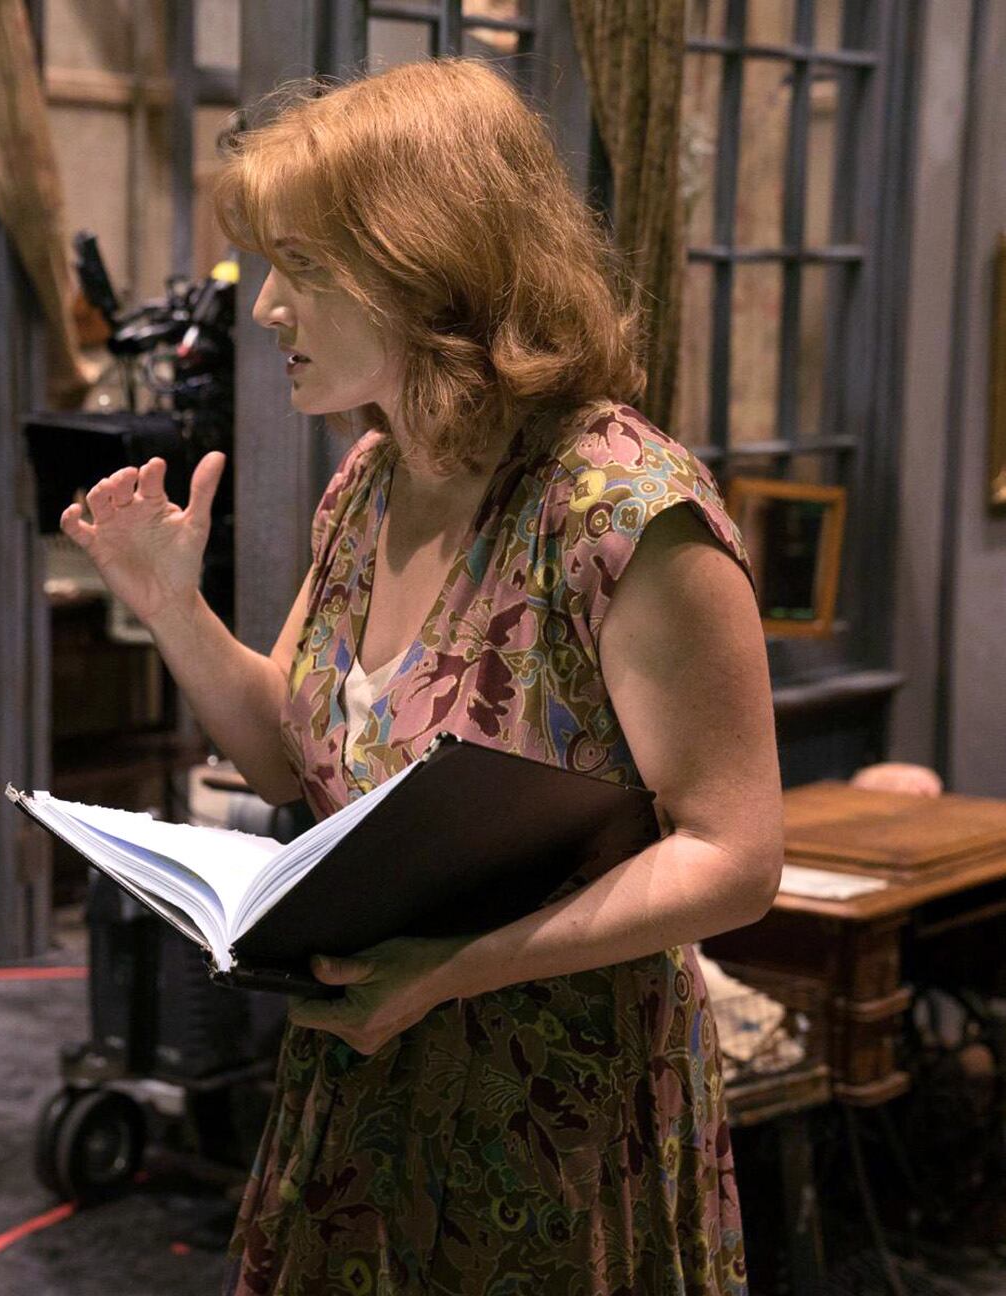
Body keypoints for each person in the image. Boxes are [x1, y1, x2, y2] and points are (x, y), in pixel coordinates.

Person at [62, 61, 780, 1294]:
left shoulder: (618, 508)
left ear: (423, 262)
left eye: (301, 265)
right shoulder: (375, 477)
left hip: (553, 1118)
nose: (269, 306)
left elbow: (734, 854)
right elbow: (285, 752)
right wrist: (171, 607)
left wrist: (453, 971)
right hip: (365, 1082)